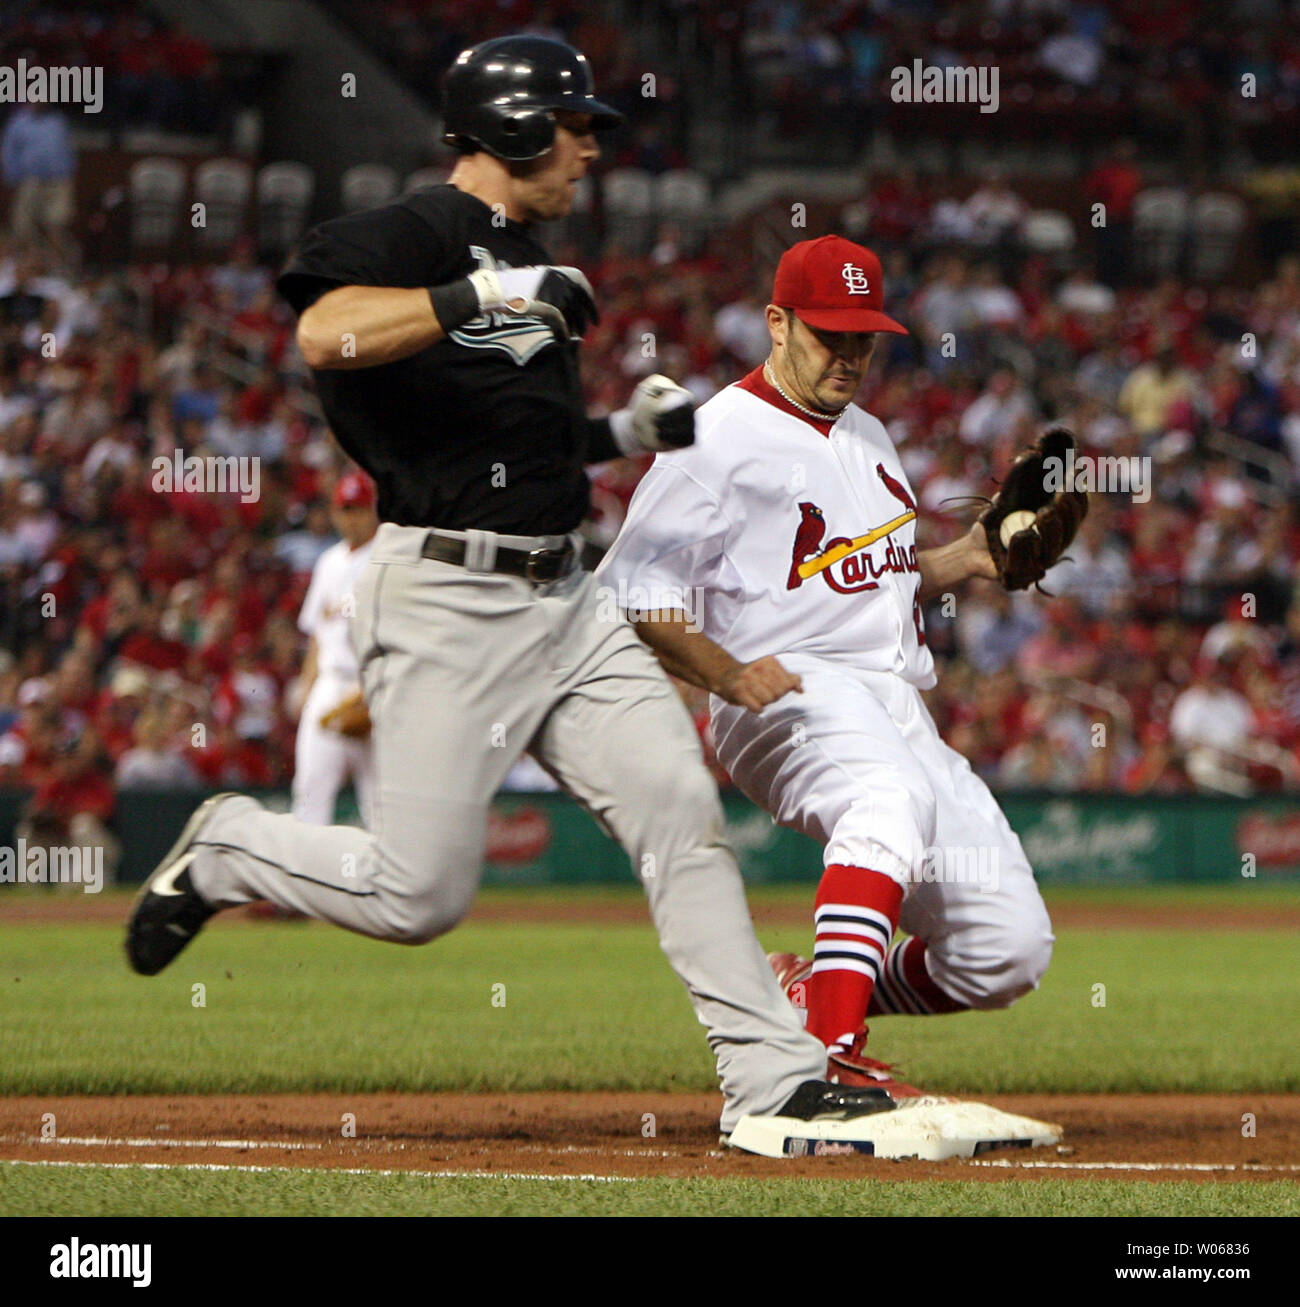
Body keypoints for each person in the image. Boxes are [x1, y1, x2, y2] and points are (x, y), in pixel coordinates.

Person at [125, 36, 889, 1149]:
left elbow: (515, 444)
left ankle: (772, 1077)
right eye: (574, 126)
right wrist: (473, 290)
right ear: (515, 124)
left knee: (678, 806)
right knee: (416, 895)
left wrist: (623, 433)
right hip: (445, 594)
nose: (588, 149)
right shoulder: (419, 233)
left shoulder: (524, 258)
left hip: (566, 597)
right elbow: (320, 333)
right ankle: (230, 843)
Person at [597, 235, 1055, 1096]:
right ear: (776, 322)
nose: (848, 353)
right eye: (827, 333)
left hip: (895, 704)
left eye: (862, 336)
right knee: (886, 800)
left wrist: (968, 558)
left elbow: (875, 573)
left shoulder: (870, 433)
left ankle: (809, 993)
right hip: (787, 686)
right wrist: (724, 672)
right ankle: (822, 1060)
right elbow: (629, 584)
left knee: (1006, 948)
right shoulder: (717, 434)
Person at [290, 470, 378, 827]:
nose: (352, 517)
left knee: (380, 797)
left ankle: (387, 881)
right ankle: (304, 876)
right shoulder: (328, 562)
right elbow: (317, 634)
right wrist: (307, 688)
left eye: (359, 508)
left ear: (374, 510)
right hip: (331, 682)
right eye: (346, 509)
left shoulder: (388, 558)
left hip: (374, 684)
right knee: (310, 785)